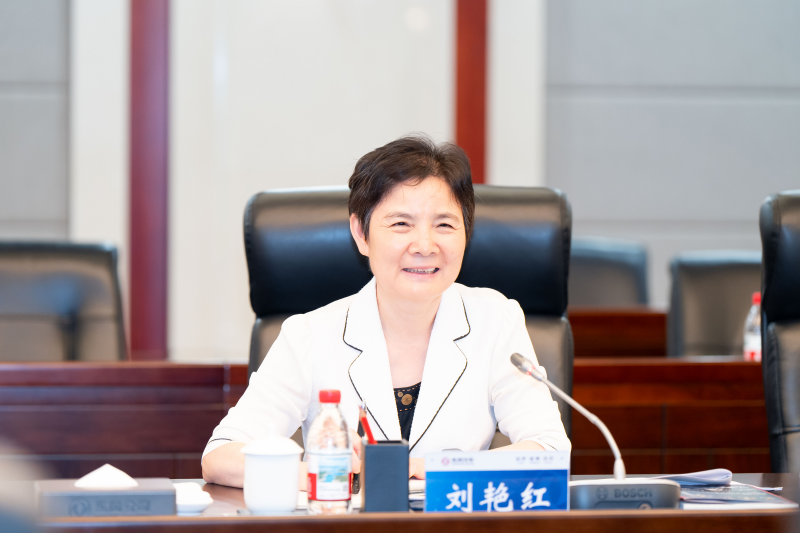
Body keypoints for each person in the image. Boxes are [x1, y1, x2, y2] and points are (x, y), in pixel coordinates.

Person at [202, 135, 571, 488]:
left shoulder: (495, 320)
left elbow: (550, 449)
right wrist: (328, 473)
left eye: (444, 224)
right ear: (361, 234)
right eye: (401, 224)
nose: (424, 245)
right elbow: (221, 456)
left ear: (466, 233)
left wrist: (428, 470)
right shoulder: (309, 336)